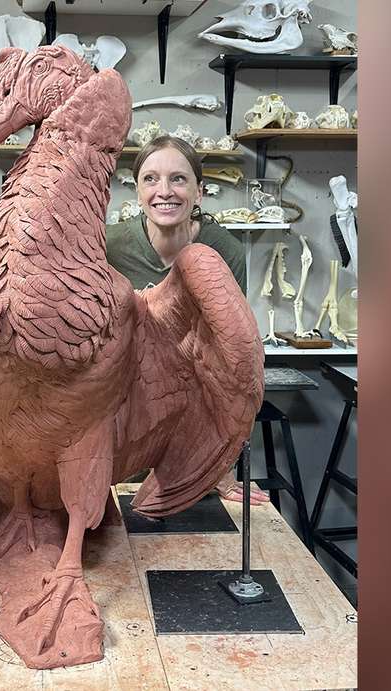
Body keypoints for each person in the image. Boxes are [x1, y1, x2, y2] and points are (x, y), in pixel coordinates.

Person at [105, 135, 270, 505]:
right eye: (150, 179)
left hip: (191, 425)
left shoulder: (224, 252)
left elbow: (226, 365)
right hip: (121, 422)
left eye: (178, 179)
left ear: (200, 191)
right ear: (136, 192)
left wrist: (218, 468)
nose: (164, 191)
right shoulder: (109, 247)